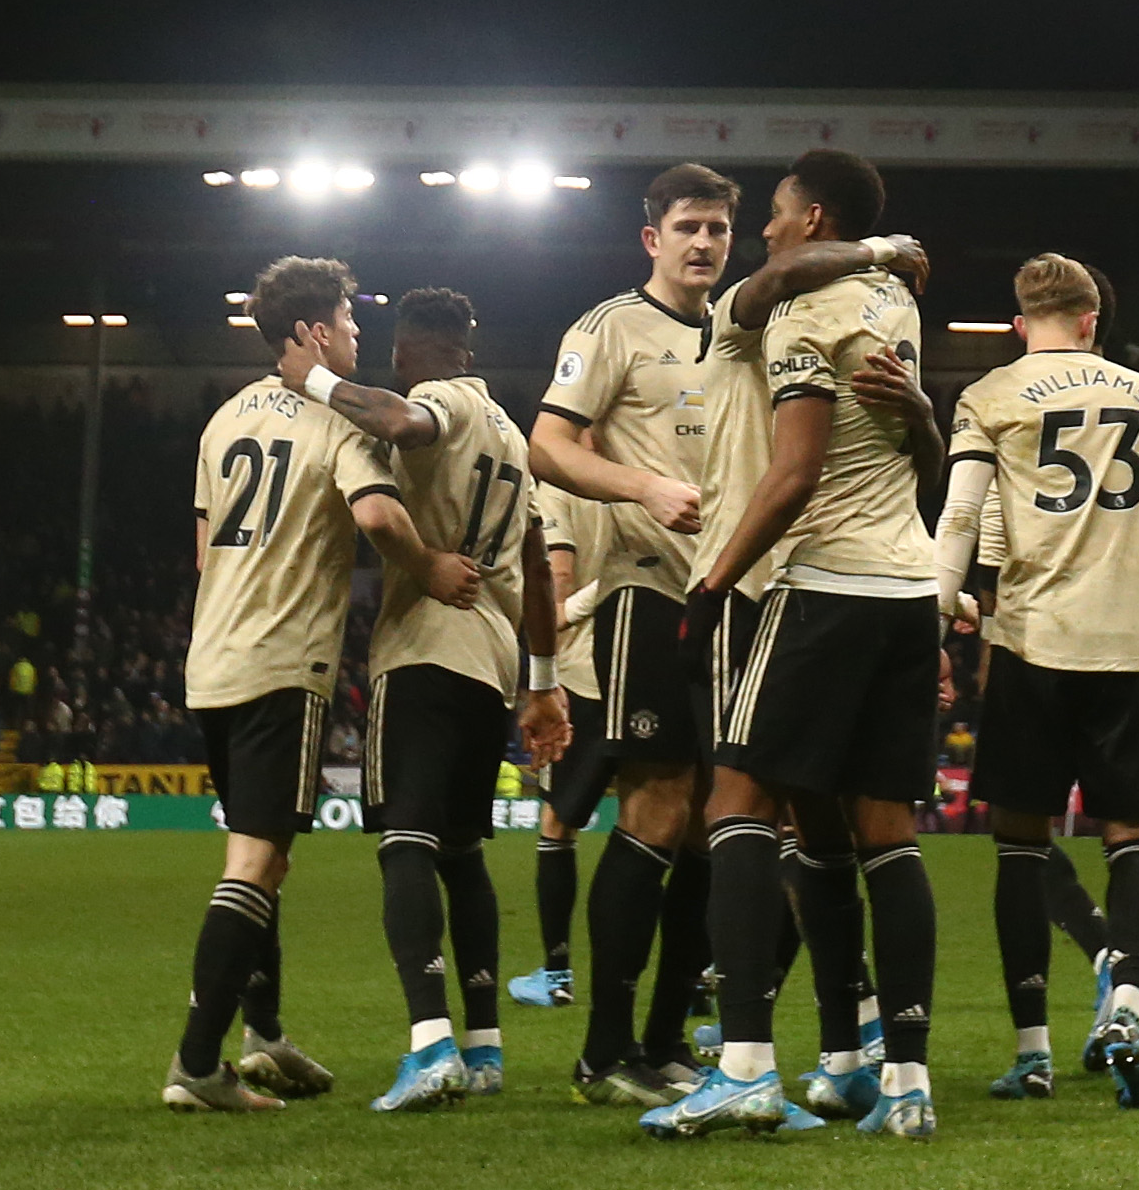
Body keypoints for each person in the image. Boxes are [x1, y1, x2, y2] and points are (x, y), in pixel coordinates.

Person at [525, 165, 920, 1107]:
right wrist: (644, 487)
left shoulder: (761, 313)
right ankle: (606, 1050)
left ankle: (676, 1042)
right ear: (650, 238)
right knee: (661, 804)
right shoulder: (611, 325)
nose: (704, 243)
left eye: (719, 227)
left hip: (761, 590)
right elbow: (545, 443)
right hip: (654, 592)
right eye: (687, 227)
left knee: (739, 820)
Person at [644, 149, 949, 1141]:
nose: (762, 229)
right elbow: (915, 454)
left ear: (808, 215)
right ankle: (893, 1073)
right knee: (876, 830)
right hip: (908, 588)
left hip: (816, 584)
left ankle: (739, 1065)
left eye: (775, 212)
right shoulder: (891, 302)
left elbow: (796, 471)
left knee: (736, 799)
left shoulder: (797, 310)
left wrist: (713, 578)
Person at [161, 252, 433, 1115]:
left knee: (257, 853)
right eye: (351, 321)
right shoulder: (338, 423)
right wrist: (429, 573)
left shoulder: (222, 420)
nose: (360, 333)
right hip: (284, 662)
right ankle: (197, 1067)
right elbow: (380, 516)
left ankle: (263, 1033)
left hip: (213, 660)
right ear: (314, 333)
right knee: (260, 858)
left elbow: (205, 553)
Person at [940, 251, 1139, 1109]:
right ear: (1093, 321)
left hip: (1033, 641)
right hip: (1133, 646)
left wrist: (935, 614)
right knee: (1133, 838)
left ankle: (1032, 1052)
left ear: (1021, 326)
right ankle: (1127, 1002)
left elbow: (965, 518)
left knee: (1019, 846)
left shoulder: (989, 396)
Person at [329, 288, 572, 1113]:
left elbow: (400, 426)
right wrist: (542, 684)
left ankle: (428, 1043)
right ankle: (482, 1045)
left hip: (428, 642)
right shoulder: (508, 429)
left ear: (407, 352)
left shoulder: (435, 402)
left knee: (406, 842)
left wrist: (314, 384)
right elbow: (538, 568)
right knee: (464, 850)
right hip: (495, 660)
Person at [514, 481, 599, 1014]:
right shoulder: (650, 471)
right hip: (654, 658)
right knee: (670, 821)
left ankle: (556, 973)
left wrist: (563, 614)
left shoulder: (564, 488)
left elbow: (558, 576)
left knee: (557, 824)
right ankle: (700, 979)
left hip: (583, 676)